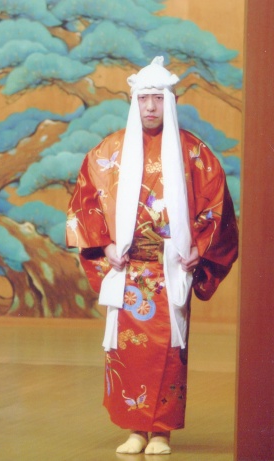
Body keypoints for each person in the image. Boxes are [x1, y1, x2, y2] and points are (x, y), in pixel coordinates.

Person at [66, 57, 238, 455]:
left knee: (170, 352)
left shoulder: (194, 152)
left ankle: (161, 432)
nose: (150, 107)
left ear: (170, 101)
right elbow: (85, 202)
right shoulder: (108, 151)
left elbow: (217, 206)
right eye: (143, 98)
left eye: (158, 99)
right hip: (129, 270)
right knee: (126, 350)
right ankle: (135, 429)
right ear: (133, 101)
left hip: (169, 269)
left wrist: (198, 248)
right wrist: (106, 246)